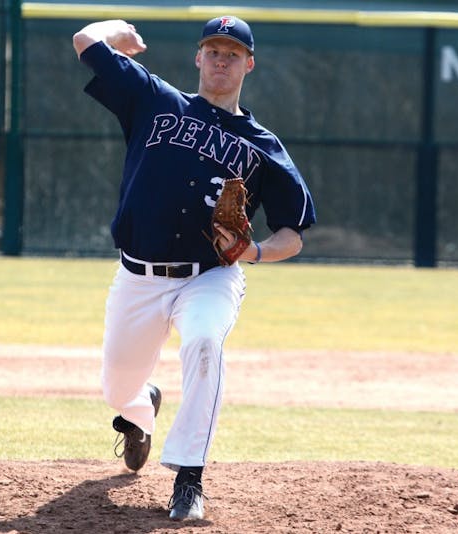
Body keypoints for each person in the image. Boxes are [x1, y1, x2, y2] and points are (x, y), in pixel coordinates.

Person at [72, 15, 316, 521]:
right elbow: (84, 40)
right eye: (214, 51)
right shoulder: (155, 100)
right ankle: (142, 409)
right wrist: (120, 33)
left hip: (211, 275)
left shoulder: (263, 147)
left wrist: (253, 252)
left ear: (249, 64)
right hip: (138, 276)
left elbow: (293, 234)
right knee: (117, 389)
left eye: (233, 53)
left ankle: (189, 478)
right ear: (198, 57)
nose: (222, 60)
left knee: (204, 343)